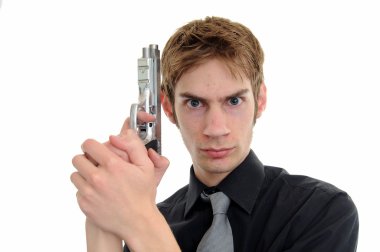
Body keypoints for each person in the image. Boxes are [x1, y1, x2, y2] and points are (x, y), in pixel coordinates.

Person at [71, 16, 359, 251]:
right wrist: (102, 207)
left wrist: (139, 220)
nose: (215, 128)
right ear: (168, 108)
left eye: (234, 101)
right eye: (195, 103)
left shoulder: (320, 211)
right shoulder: (151, 220)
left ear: (259, 101)